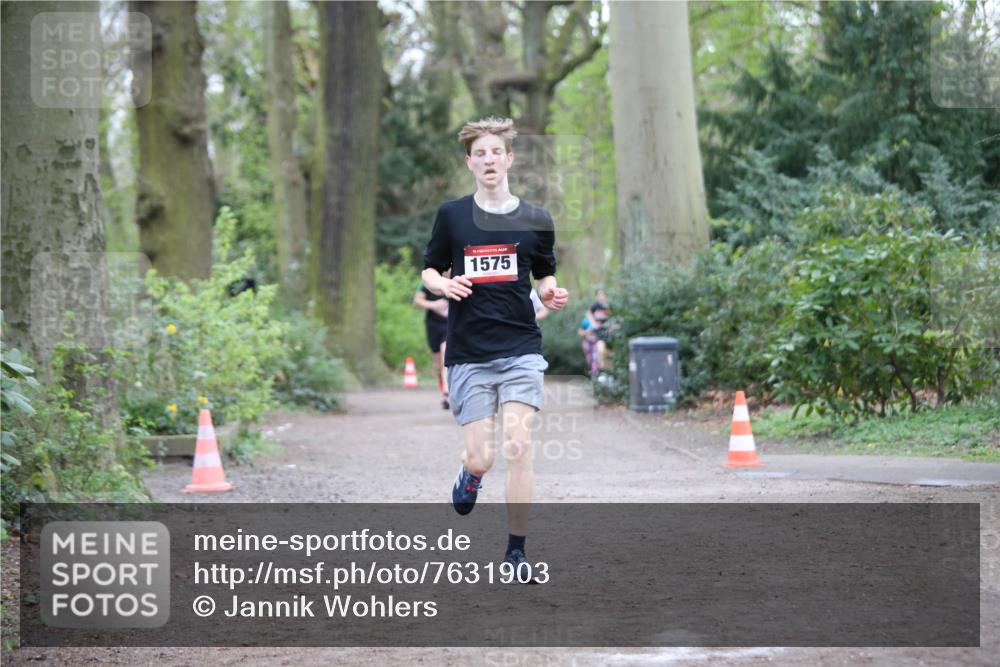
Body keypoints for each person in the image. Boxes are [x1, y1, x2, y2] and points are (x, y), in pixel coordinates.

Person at [421, 117, 569, 580]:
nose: (488, 160)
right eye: (479, 153)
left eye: (495, 152)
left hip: (520, 346)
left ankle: (516, 553)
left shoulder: (536, 219)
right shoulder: (453, 216)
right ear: (470, 163)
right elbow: (428, 270)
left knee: (519, 445)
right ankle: (471, 475)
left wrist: (549, 292)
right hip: (468, 351)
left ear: (509, 159)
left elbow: (544, 273)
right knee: (482, 457)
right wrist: (444, 284)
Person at [413, 270, 451, 409]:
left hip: (450, 325)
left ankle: (448, 394)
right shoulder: (429, 280)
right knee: (438, 363)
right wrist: (435, 305)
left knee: (445, 356)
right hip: (434, 325)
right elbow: (417, 300)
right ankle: (443, 384)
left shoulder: (457, 278)